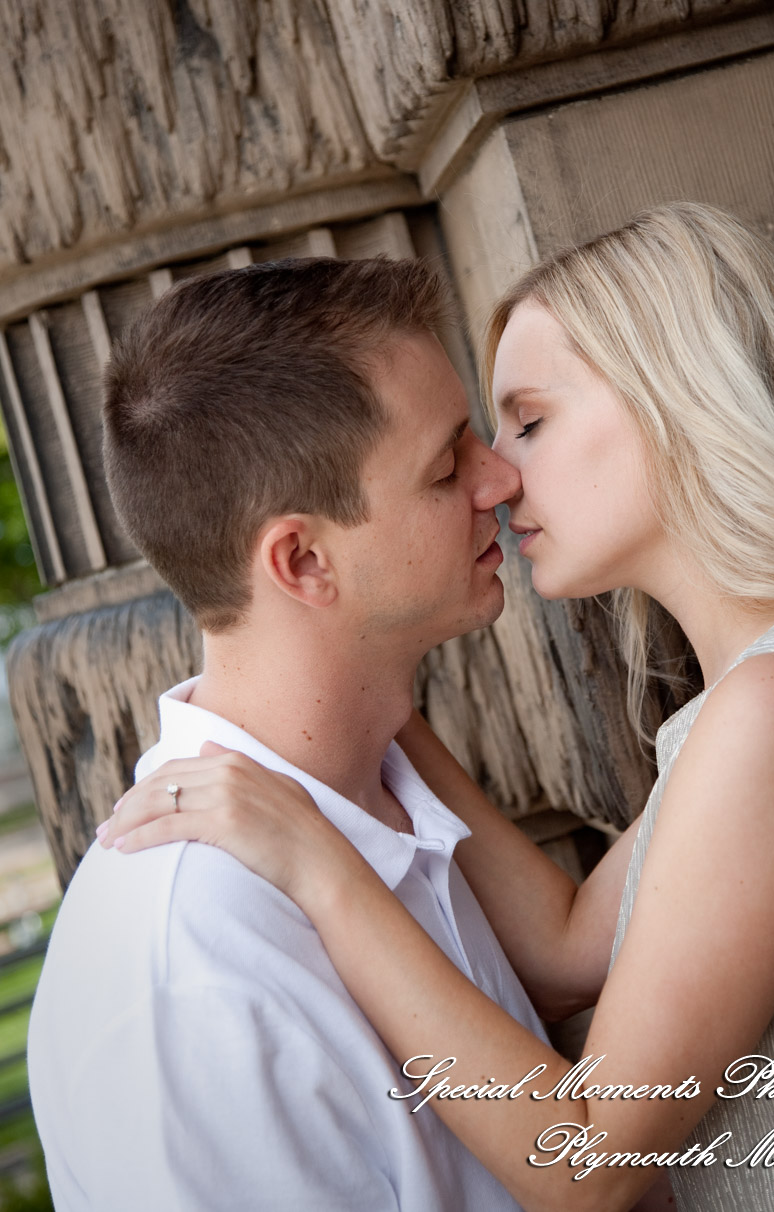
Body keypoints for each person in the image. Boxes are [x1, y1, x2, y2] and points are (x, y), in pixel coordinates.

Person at [104, 203, 774, 1212]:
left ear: (681, 404)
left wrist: (318, 863)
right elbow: (569, 946)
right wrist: (353, 662)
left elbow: (588, 1165)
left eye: (528, 421)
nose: (495, 476)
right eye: (475, 443)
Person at [27, 256, 555, 1212]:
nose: (500, 478)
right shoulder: (191, 983)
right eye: (446, 467)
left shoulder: (376, 765)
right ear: (304, 559)